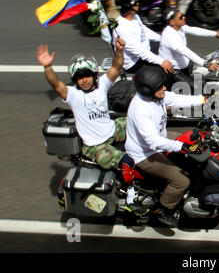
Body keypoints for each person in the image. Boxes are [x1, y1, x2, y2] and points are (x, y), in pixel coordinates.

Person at [35, 37, 146, 214]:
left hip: (112, 129)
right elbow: (56, 83)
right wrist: (47, 67)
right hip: (96, 147)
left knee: (143, 122)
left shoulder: (102, 84)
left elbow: (116, 67)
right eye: (79, 77)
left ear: (94, 75)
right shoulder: (73, 95)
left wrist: (119, 50)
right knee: (127, 161)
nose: (84, 80)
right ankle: (131, 199)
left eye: (87, 75)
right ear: (75, 80)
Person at [125, 66, 206, 227]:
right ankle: (163, 210)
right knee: (181, 181)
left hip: (159, 139)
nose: (164, 88)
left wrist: (204, 99)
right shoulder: (141, 109)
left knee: (197, 139)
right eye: (160, 87)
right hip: (145, 154)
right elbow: (153, 141)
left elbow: (177, 100)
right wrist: (182, 146)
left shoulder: (156, 97)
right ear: (148, 90)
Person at [158, 7, 219, 92]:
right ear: (172, 22)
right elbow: (185, 51)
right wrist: (205, 64)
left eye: (183, 15)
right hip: (174, 70)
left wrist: (215, 34)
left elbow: (195, 30)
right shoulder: (169, 36)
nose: (184, 17)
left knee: (207, 79)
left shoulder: (179, 27)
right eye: (180, 17)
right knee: (199, 89)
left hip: (186, 64)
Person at [113, 0, 174, 74]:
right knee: (168, 70)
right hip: (135, 62)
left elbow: (144, 31)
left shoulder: (135, 17)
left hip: (146, 49)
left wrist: (162, 39)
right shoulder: (122, 28)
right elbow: (139, 51)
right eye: (135, 3)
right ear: (128, 8)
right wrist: (161, 62)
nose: (138, 4)